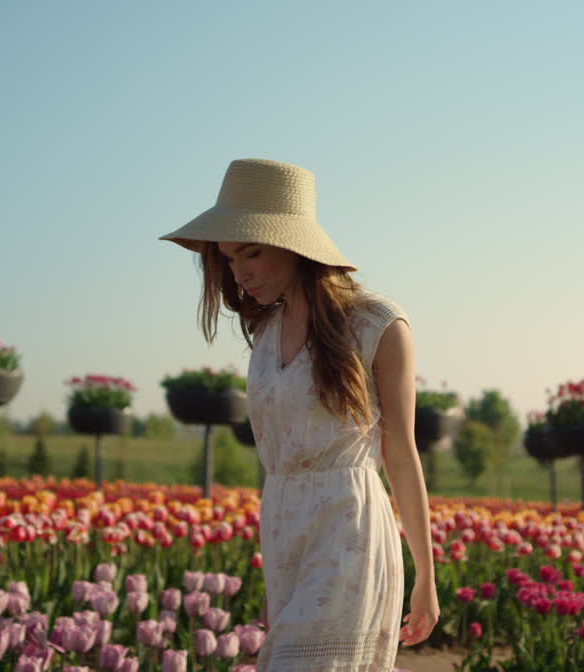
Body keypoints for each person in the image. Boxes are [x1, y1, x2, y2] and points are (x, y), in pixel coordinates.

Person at [160, 158, 439, 670]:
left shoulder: (376, 325)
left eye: (252, 252)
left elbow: (400, 452)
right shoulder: (264, 332)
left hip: (348, 530)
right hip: (284, 528)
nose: (239, 272)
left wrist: (426, 574)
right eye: (228, 257)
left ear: (293, 246)